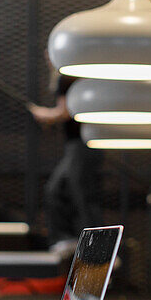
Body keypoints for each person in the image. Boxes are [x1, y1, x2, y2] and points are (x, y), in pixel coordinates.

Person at [28, 72, 102, 249]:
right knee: (59, 190)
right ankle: (68, 239)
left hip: (82, 144)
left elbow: (66, 111)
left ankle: (94, 245)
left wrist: (44, 114)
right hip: (85, 143)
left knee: (78, 193)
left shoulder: (67, 76)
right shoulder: (76, 75)